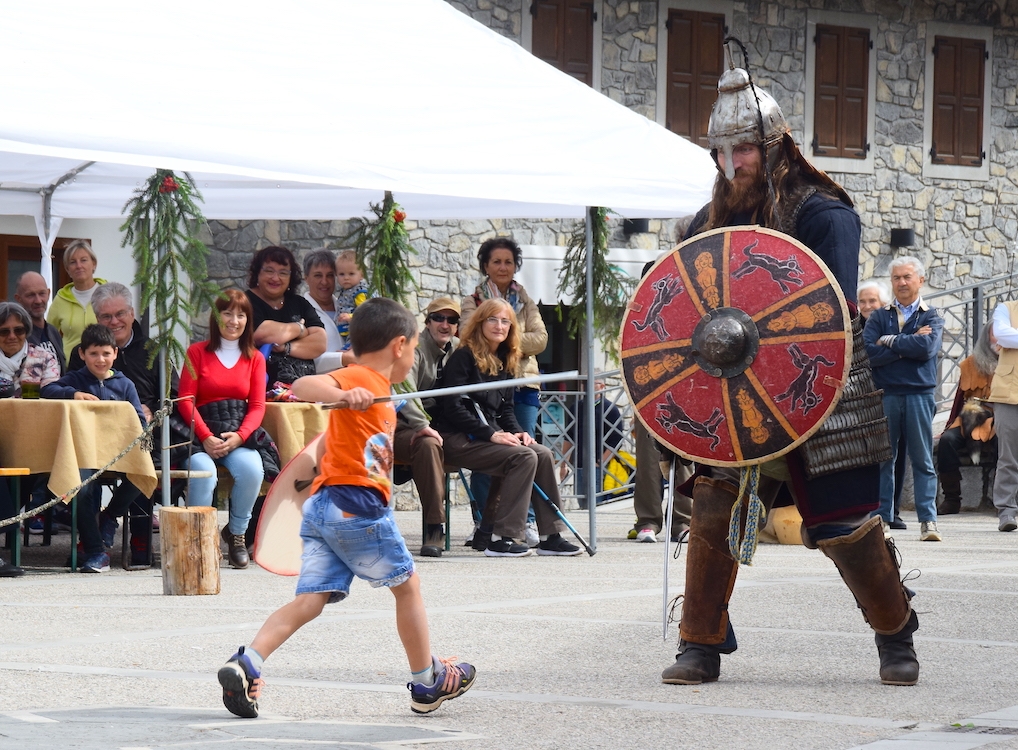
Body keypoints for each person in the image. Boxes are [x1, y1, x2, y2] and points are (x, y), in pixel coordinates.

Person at [661, 52, 921, 687]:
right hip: (734, 395)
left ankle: (895, 636)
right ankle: (700, 642)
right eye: (722, 153)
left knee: (845, 525)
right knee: (714, 508)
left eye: (743, 150)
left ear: (774, 147)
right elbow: (685, 309)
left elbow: (828, 315)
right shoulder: (708, 222)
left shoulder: (822, 212)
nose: (732, 164)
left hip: (819, 390)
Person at [216, 297, 475, 718]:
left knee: (312, 599)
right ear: (399, 345)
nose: (412, 358)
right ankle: (428, 680)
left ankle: (248, 661)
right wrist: (346, 389)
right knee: (407, 587)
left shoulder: (382, 389)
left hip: (324, 510)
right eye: (412, 349)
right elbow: (303, 387)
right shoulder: (364, 378)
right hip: (356, 507)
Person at [433, 298, 580, 558]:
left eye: (505, 321)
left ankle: (550, 536)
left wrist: (517, 431)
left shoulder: (507, 359)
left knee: (541, 453)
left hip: (484, 435)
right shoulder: (463, 356)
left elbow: (506, 410)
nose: (499, 325)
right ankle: (503, 537)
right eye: (492, 319)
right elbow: (452, 407)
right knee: (523, 457)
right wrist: (491, 434)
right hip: (456, 437)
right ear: (480, 323)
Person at [460, 237, 548, 546]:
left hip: (523, 386)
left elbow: (542, 339)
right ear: (485, 265)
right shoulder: (473, 299)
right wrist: (511, 339)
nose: (502, 267)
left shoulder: (525, 300)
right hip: (486, 385)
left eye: (508, 262)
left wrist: (504, 339)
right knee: (488, 454)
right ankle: (483, 522)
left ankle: (530, 522)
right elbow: (467, 333)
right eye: (496, 261)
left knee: (528, 452)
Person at [177, 290, 274, 569]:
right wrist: (206, 436)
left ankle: (236, 534)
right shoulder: (197, 352)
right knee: (204, 475)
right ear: (216, 316)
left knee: (253, 469)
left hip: (235, 432)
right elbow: (185, 401)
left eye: (241, 315)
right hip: (199, 433)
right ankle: (198, 539)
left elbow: (257, 405)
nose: (234, 320)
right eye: (227, 313)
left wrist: (241, 436)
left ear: (248, 320)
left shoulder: (255, 357)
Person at [42, 324, 148, 573]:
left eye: (105, 353)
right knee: (81, 486)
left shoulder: (125, 385)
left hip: (118, 453)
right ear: (82, 354)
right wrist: (73, 394)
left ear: (115, 353)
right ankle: (95, 551)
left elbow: (140, 423)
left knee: (142, 475)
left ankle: (109, 518)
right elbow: (48, 390)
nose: (100, 360)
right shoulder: (76, 379)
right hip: (85, 453)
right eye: (93, 354)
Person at [864, 256, 944, 541]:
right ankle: (882, 519)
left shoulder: (931, 316)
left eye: (907, 277)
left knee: (922, 459)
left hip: (919, 395)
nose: (901, 282)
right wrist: (906, 343)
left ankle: (928, 522)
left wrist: (890, 340)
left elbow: (926, 349)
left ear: (920, 280)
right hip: (887, 395)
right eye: (896, 278)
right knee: (885, 459)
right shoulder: (878, 317)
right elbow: (869, 354)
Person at [394, 297, 460, 557]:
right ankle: (435, 526)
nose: (445, 324)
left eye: (451, 320)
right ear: (428, 322)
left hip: (444, 423)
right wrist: (423, 425)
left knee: (498, 448)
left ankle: (490, 529)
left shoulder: (459, 348)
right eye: (439, 318)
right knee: (428, 444)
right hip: (404, 423)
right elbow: (405, 391)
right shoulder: (414, 347)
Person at [245, 245, 326, 389]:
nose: (275, 278)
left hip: (303, 391)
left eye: (283, 273)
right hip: (263, 392)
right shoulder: (246, 302)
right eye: (269, 271)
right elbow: (262, 335)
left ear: (290, 277)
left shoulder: (300, 303)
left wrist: (286, 347)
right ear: (257, 272)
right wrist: (299, 328)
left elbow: (320, 343)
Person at [937, 323, 998, 515]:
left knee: (1004, 442)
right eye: (994, 334)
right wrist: (948, 427)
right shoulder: (970, 364)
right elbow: (958, 400)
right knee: (946, 441)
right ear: (987, 337)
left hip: (1000, 418)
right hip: (970, 416)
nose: (998, 339)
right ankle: (952, 499)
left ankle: (1003, 500)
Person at [46, 239, 106, 361]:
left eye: (83, 260)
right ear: (67, 269)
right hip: (70, 368)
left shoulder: (108, 294)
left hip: (103, 364)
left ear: (93, 264)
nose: (79, 266)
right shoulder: (60, 299)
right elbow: (48, 335)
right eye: (73, 262)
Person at [987, 300, 1018, 532]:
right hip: (1008, 392)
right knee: (1008, 456)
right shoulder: (1005, 308)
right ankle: (1006, 511)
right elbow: (1002, 336)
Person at [301, 249, 352, 373]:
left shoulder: (347, 307)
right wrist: (343, 358)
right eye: (318, 275)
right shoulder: (299, 312)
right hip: (324, 387)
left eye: (329, 275)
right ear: (306, 278)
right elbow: (305, 360)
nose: (324, 281)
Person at [14, 271, 66, 374]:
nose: (38, 300)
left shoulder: (53, 331)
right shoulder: (17, 336)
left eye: (42, 293)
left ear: (48, 293)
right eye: (30, 295)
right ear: (18, 299)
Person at [334, 249, 370, 350]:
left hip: (358, 329)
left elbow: (364, 312)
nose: (346, 278)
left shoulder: (359, 292)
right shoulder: (345, 291)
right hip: (346, 330)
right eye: (342, 274)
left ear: (361, 275)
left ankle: (348, 351)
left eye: (351, 274)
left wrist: (350, 317)